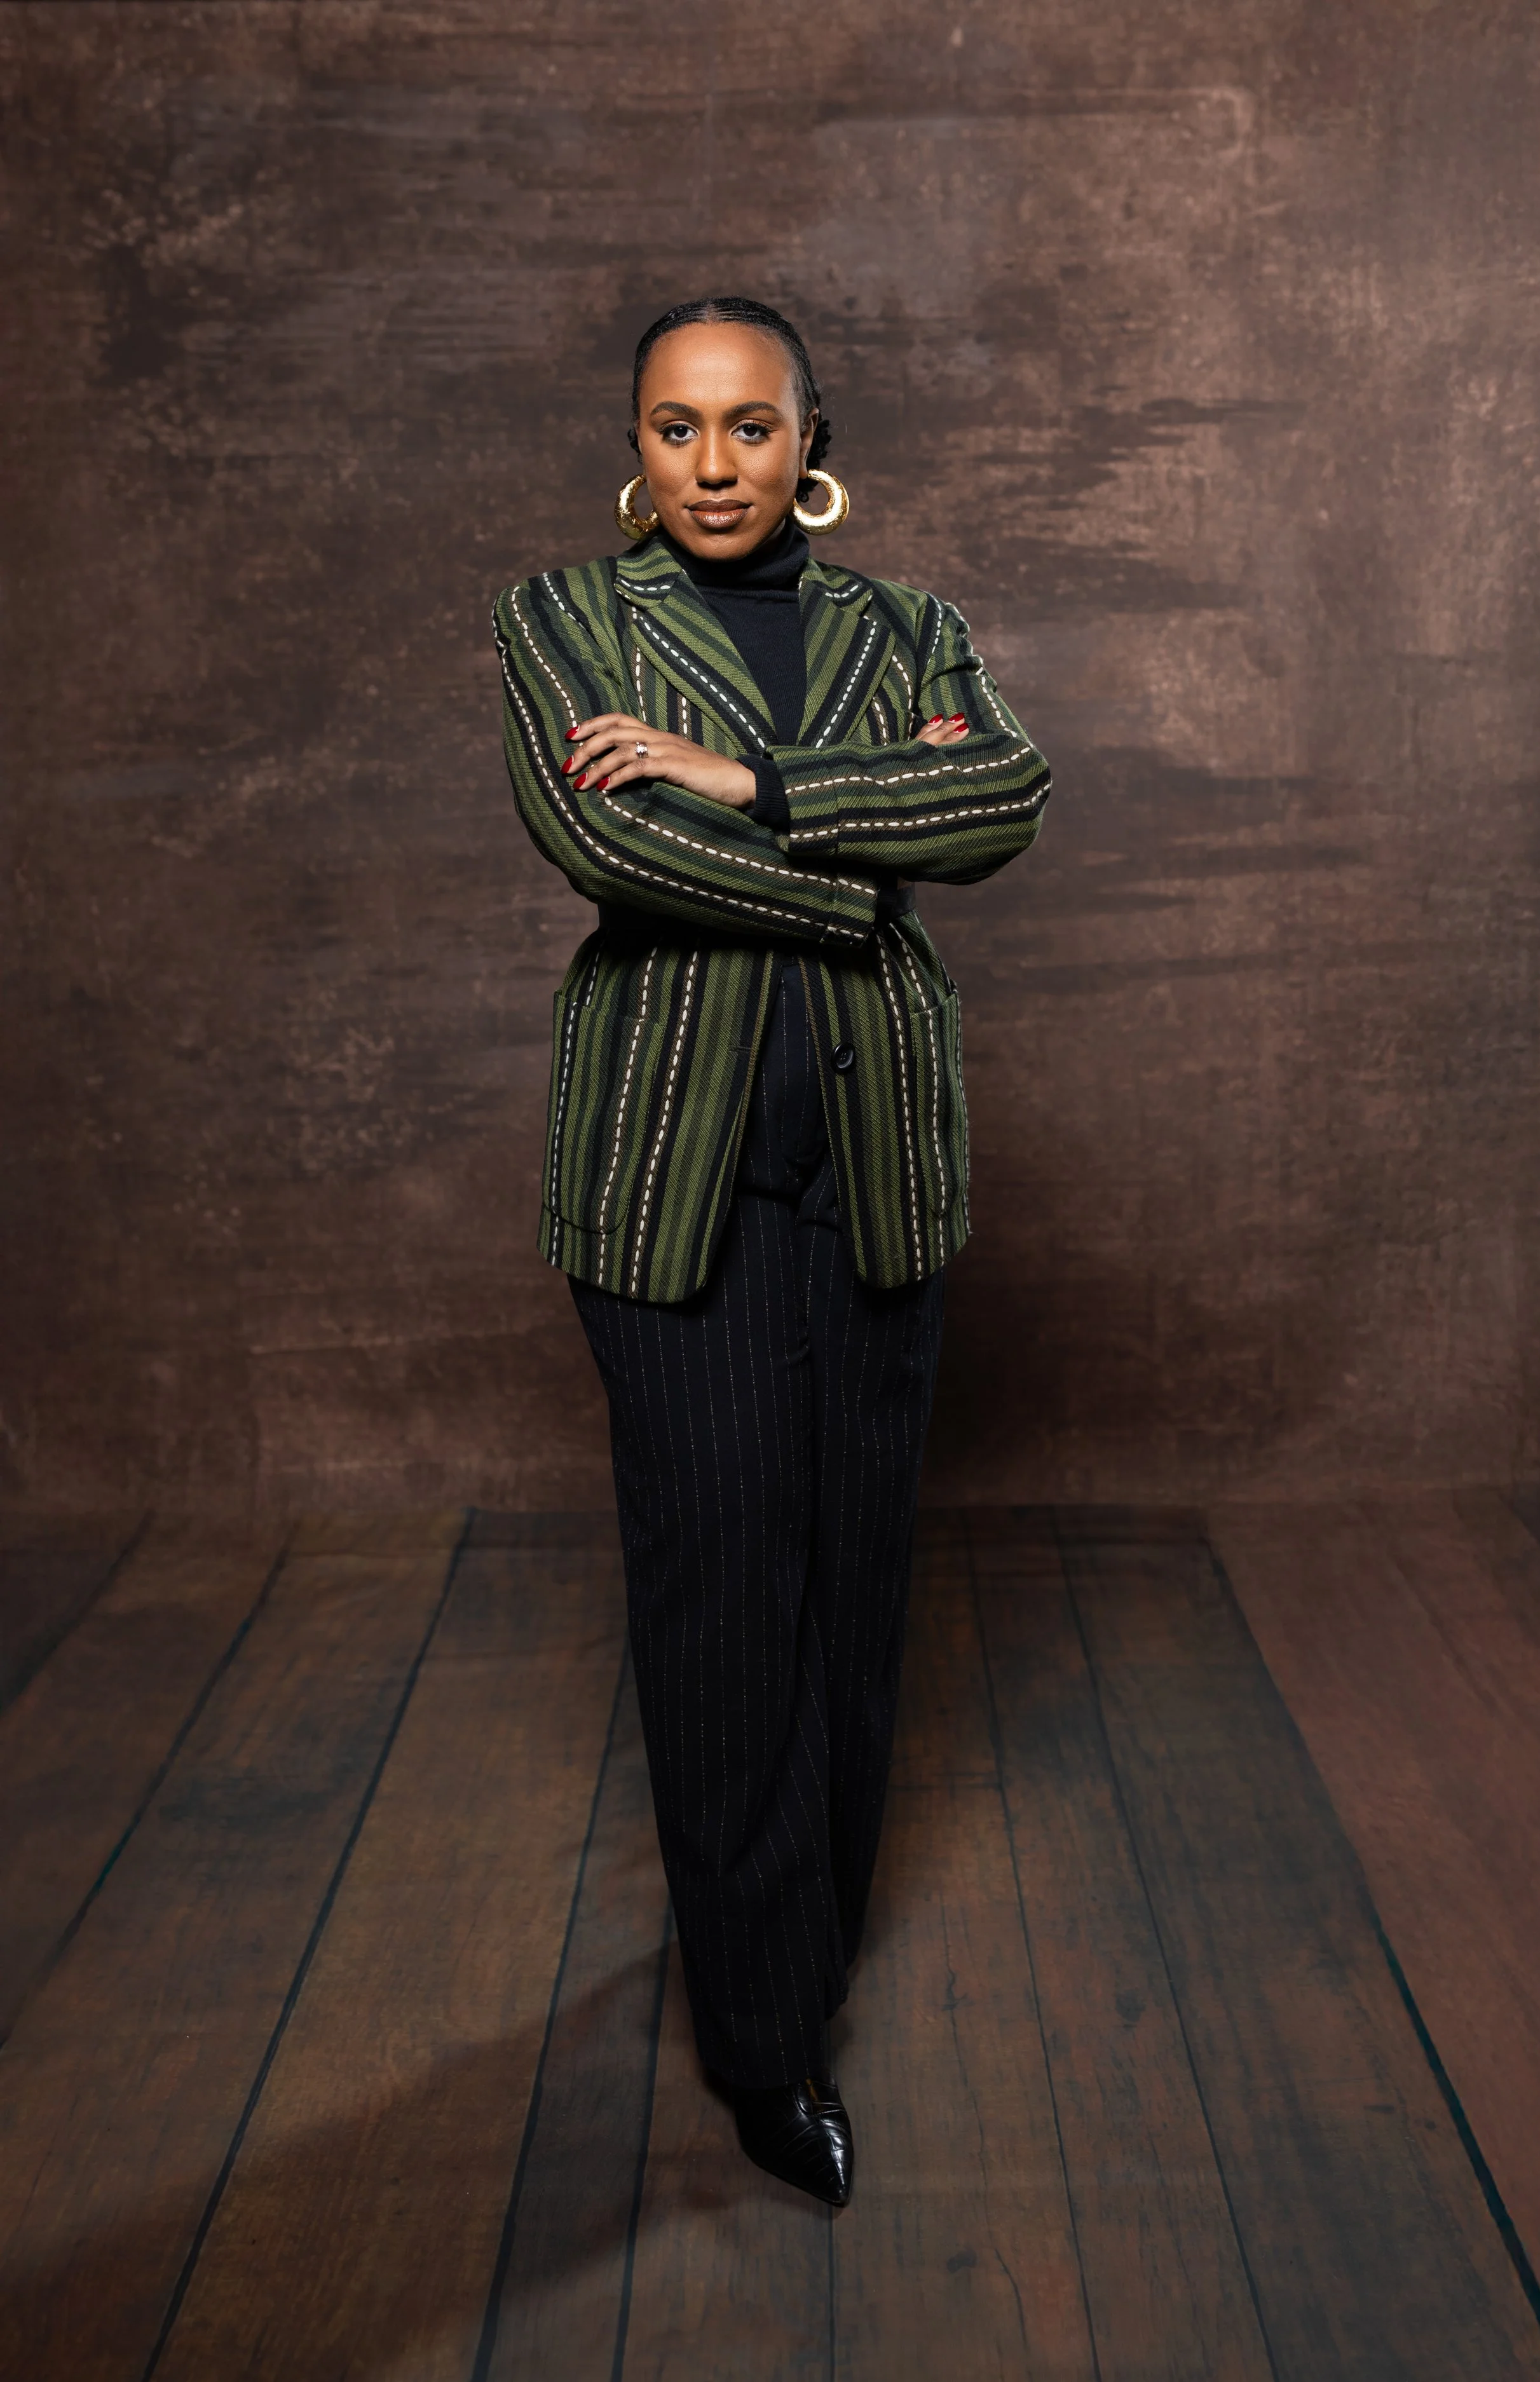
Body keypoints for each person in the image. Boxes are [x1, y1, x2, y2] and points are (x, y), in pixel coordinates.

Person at [493, 297, 1049, 2206]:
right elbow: (618, 851)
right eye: (676, 426)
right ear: (634, 449)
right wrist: (871, 863)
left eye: (749, 425)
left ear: (810, 440)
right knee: (725, 1602)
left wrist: (754, 783)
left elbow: (1006, 796)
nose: (713, 463)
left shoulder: (910, 627)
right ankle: (763, 2041)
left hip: (878, 1176)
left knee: (855, 1587)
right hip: (677, 1187)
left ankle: (810, 1951)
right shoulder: (565, 620)